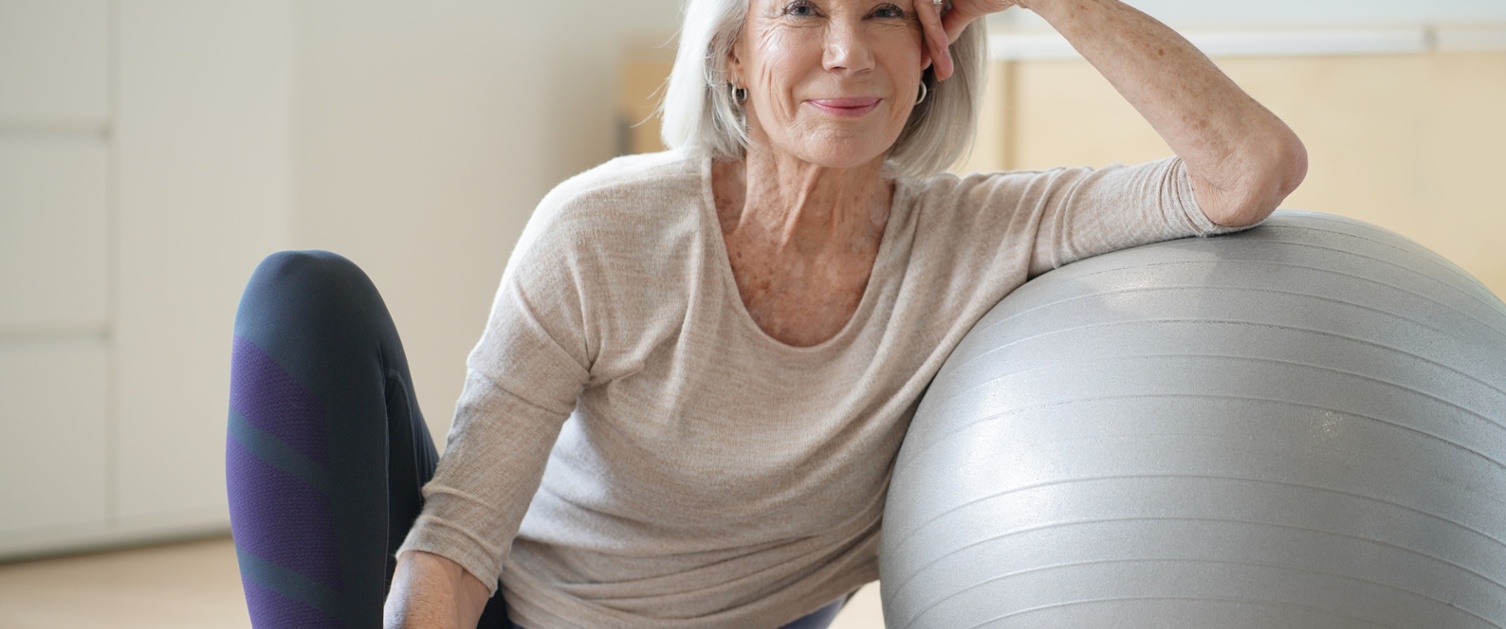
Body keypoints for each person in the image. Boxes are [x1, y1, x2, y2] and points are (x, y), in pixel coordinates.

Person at [227, 0, 1306, 627]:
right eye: (802, 7)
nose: (847, 48)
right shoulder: (604, 230)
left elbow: (1246, 169)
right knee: (301, 295)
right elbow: (458, 542)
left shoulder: (984, 237)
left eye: (886, 7)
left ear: (934, 51)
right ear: (733, 50)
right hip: (519, 614)